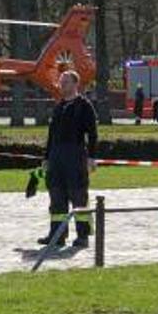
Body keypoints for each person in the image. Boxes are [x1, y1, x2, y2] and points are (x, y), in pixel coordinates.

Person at [38, 69, 98, 248]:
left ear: (75, 84)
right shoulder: (58, 107)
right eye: (61, 81)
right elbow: (51, 135)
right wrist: (46, 158)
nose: (61, 85)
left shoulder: (84, 106)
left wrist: (92, 157)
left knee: (78, 195)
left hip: (75, 157)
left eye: (65, 82)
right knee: (56, 195)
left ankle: (83, 236)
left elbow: (93, 134)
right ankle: (57, 235)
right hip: (56, 158)